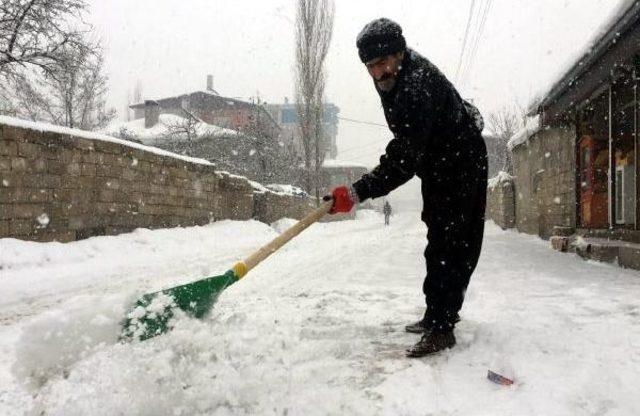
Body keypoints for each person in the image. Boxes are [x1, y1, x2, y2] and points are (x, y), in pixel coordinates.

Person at [324, 18, 488, 357]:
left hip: (462, 161)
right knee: (438, 238)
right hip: (438, 161)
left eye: (384, 63)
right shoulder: (391, 77)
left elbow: (404, 157)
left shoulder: (416, 84)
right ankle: (435, 314)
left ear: (400, 54)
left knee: (453, 242)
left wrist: (357, 191)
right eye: (371, 67)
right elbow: (408, 144)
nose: (379, 73)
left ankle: (442, 327)